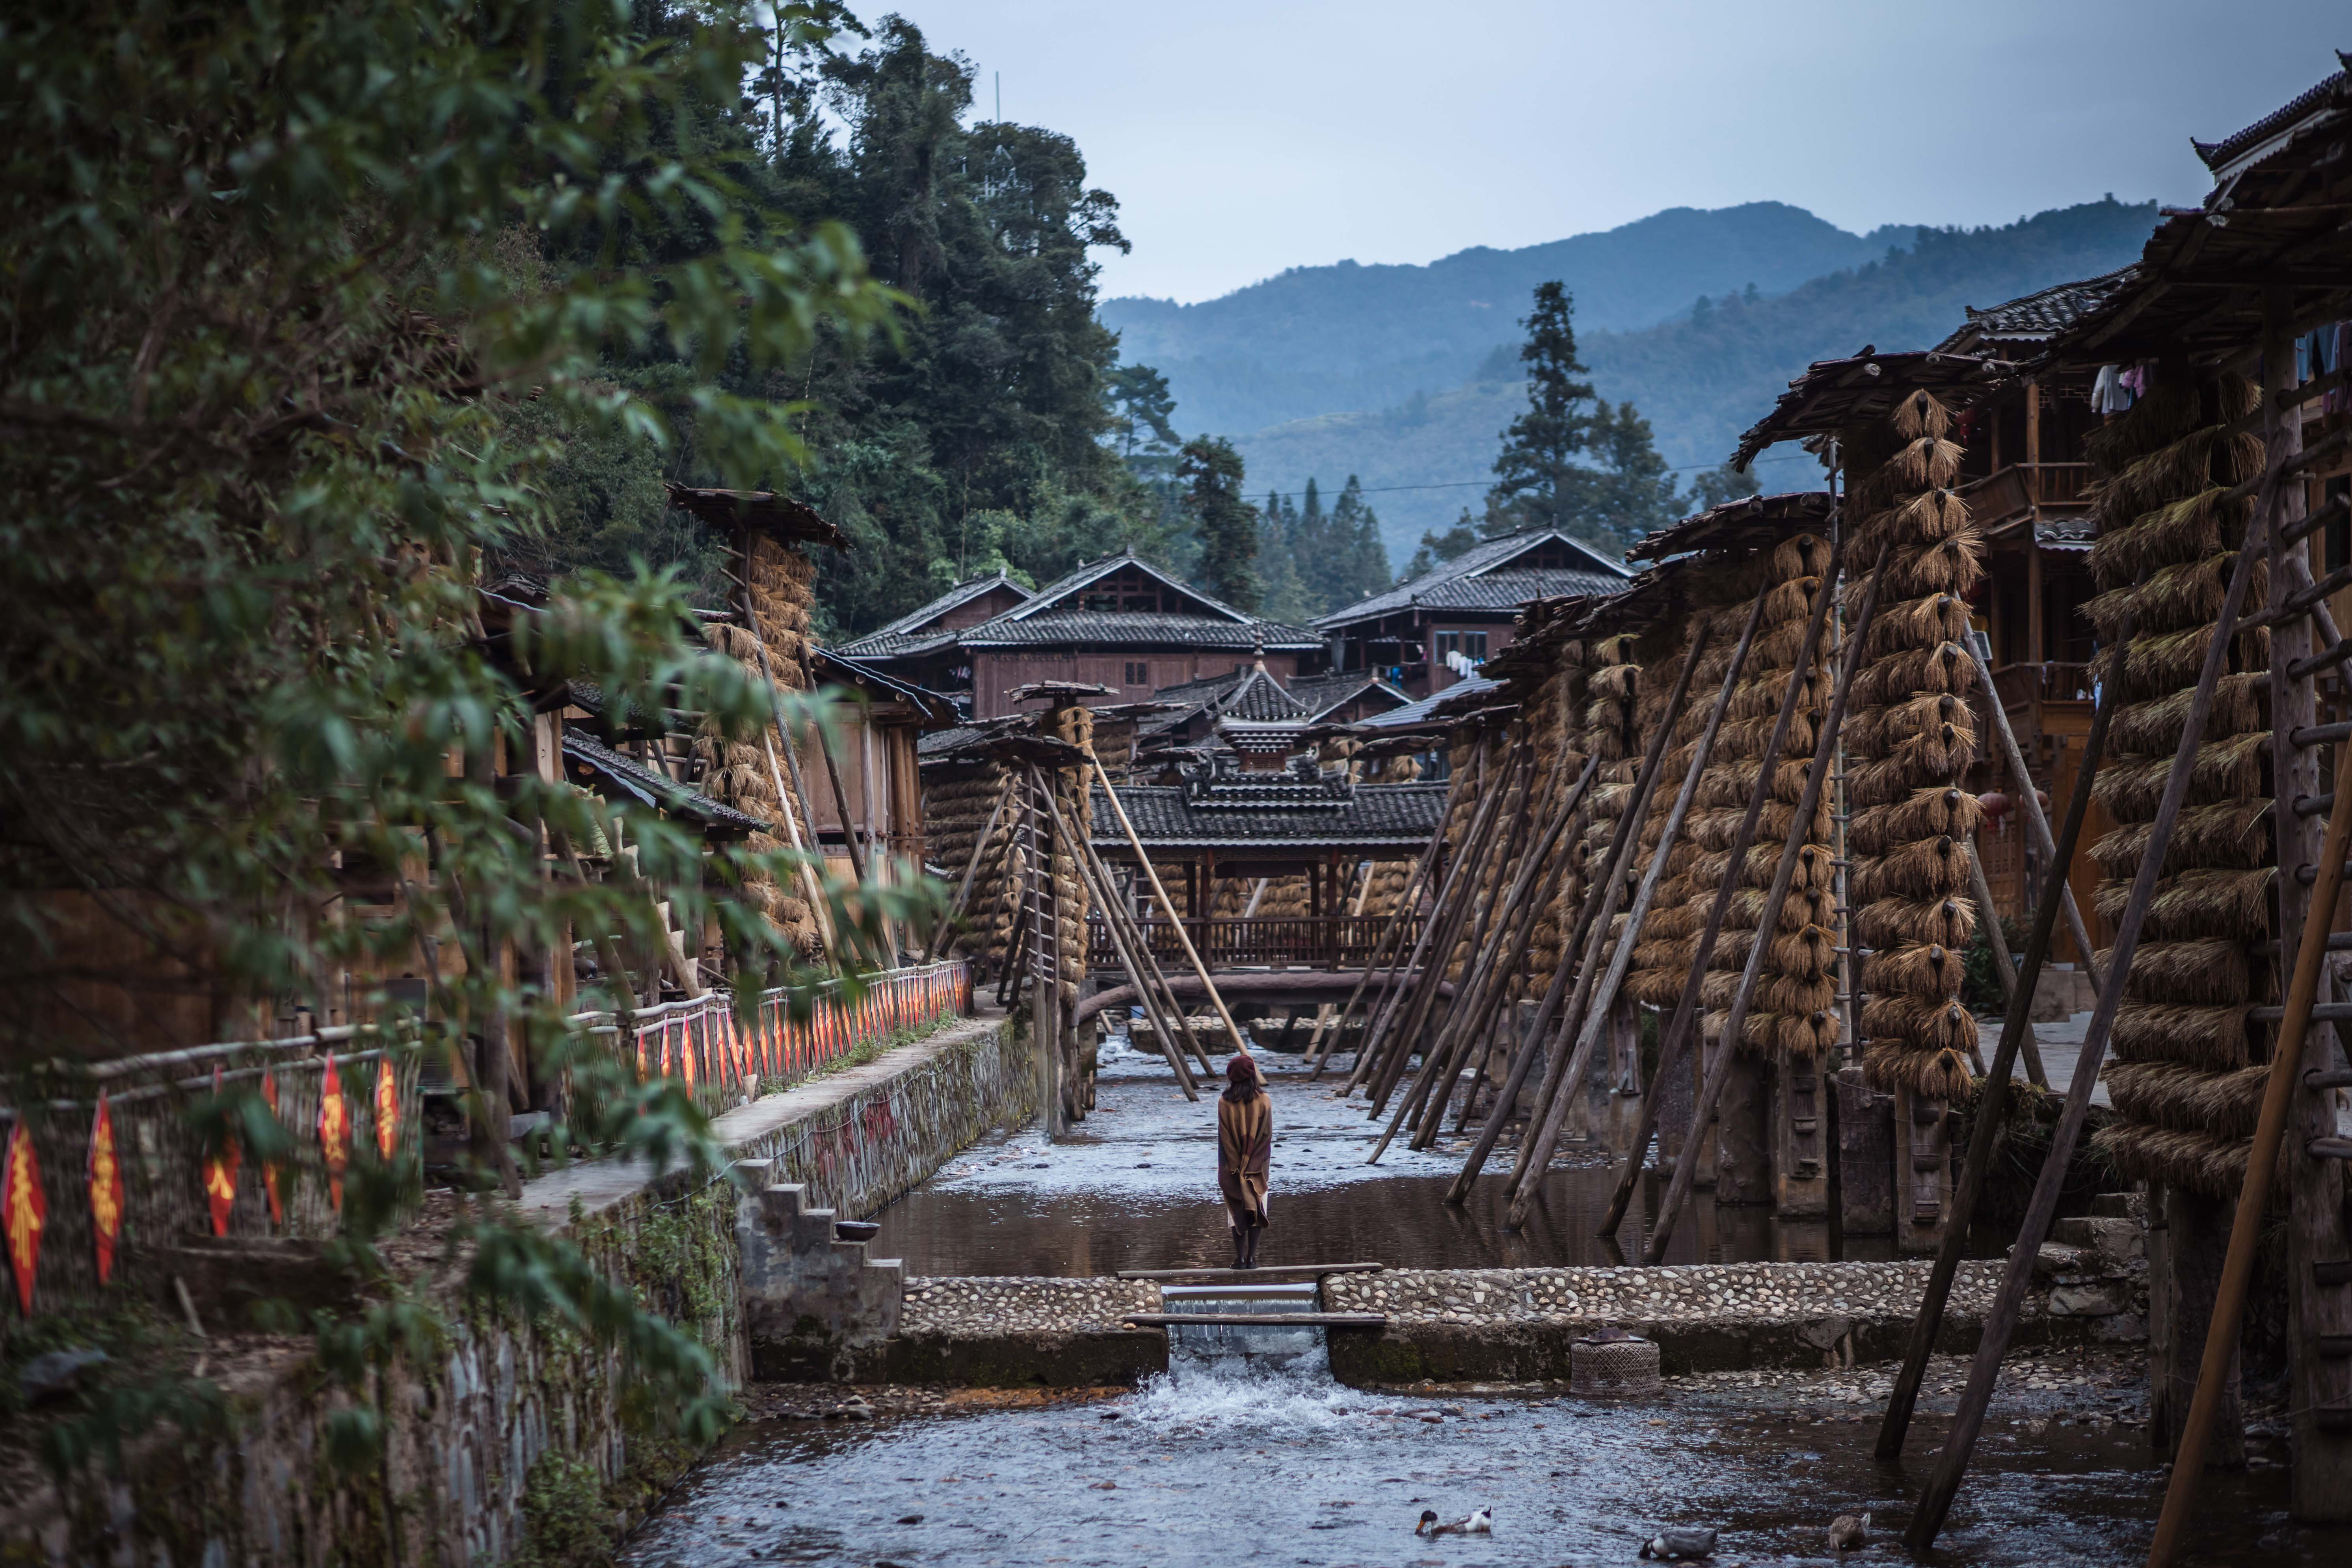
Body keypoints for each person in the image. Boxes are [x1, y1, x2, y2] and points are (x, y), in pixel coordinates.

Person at [1217, 1052, 1272, 1269]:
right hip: (1258, 1166)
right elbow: (1266, 1135)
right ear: (1253, 1075)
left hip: (1232, 1167)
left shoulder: (1224, 1101)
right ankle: (1252, 1259)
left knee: (1236, 1209)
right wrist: (1253, 1164)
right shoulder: (1265, 1100)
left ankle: (1239, 1259)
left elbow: (1226, 1138)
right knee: (1257, 1207)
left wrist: (1236, 1165)